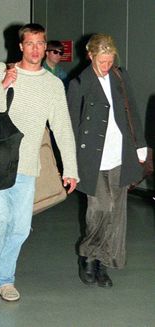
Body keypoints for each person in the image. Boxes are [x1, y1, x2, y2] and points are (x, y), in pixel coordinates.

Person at [0, 23, 79, 302]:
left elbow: (62, 127)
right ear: (20, 46)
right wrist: (3, 86)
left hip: (27, 166)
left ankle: (6, 279)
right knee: (1, 218)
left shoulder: (53, 85)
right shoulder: (0, 70)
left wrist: (72, 169)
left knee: (20, 228)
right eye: (30, 43)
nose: (36, 49)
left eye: (40, 43)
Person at [67, 34, 147, 288]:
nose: (106, 65)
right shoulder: (79, 83)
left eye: (110, 60)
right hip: (92, 157)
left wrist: (141, 145)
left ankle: (101, 262)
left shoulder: (120, 76)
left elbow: (132, 109)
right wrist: (70, 163)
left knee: (116, 212)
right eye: (102, 61)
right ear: (90, 56)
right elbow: (70, 125)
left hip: (119, 154)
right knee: (99, 210)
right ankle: (88, 257)